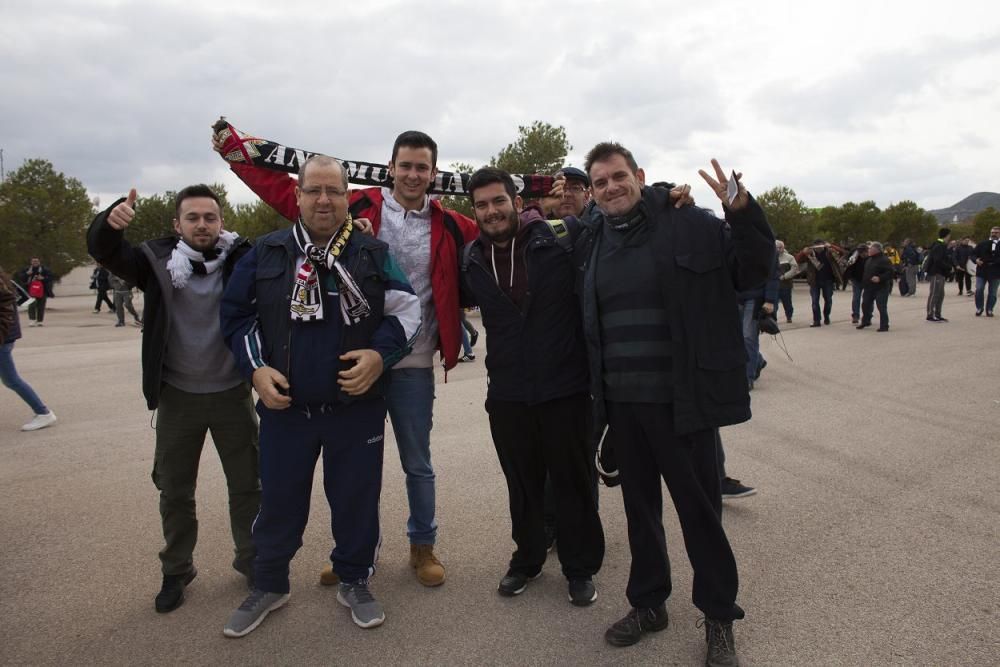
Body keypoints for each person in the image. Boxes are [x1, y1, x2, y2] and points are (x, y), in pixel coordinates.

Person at [215, 129, 477, 588]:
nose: (413, 174)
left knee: (417, 462)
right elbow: (291, 191)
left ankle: (423, 545)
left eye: (423, 167)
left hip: (411, 362)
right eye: (406, 165)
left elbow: (502, 220)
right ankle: (349, 556)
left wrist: (549, 201)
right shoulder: (358, 207)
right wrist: (240, 160)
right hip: (350, 362)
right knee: (356, 471)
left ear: (434, 174)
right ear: (390, 168)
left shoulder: (452, 222)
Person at [573, 143, 773, 666]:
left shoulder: (691, 224)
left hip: (682, 404)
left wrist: (742, 209)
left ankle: (719, 617)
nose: (612, 187)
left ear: (640, 176)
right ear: (592, 193)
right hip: (622, 407)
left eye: (619, 176)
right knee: (640, 514)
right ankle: (649, 604)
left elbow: (751, 268)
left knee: (700, 515)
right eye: (601, 182)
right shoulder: (592, 240)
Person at [219, 155, 421, 636]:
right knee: (280, 502)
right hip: (285, 408)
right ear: (300, 195)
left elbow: (407, 312)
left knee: (355, 500)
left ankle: (355, 580)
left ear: (348, 196)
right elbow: (235, 316)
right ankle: (269, 584)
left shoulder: (372, 253)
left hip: (357, 408)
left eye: (334, 191)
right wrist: (255, 370)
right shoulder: (266, 252)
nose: (325, 200)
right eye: (315, 191)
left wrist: (379, 356)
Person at [88, 184, 262, 614]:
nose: (202, 224)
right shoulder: (155, 261)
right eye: (193, 218)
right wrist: (108, 224)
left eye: (210, 217)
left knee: (248, 486)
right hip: (178, 397)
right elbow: (105, 251)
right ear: (177, 224)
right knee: (174, 490)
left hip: (232, 394)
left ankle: (252, 560)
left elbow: (292, 254)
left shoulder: (242, 258)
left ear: (221, 222)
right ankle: (177, 568)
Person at [460, 167, 605, 606]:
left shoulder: (558, 238)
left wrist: (664, 197)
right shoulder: (471, 259)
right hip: (507, 394)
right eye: (482, 204)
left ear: (516, 203)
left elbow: (608, 215)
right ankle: (526, 559)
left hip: (564, 387)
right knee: (521, 484)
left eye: (498, 201)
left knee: (573, 482)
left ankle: (580, 568)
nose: (491, 211)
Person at [1, 267, 57, 431]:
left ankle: (43, 413)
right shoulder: (5, 280)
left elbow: (7, 313)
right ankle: (42, 412)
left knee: (11, 380)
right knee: (10, 380)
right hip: (5, 337)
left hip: (3, 339)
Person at [795, 239, 844, 327]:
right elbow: (798, 260)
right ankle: (816, 320)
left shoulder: (829, 252)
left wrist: (831, 246)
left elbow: (843, 253)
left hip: (828, 280)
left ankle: (826, 316)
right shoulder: (810, 254)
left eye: (820, 246)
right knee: (814, 301)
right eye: (816, 247)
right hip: (815, 281)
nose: (818, 249)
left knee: (828, 300)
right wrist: (803, 252)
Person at [856, 242, 893, 332]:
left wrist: (880, 278)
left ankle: (884, 325)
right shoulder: (869, 260)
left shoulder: (885, 260)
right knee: (865, 304)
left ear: (876, 250)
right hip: (869, 287)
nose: (868, 250)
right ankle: (865, 321)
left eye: (870, 249)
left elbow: (890, 273)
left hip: (881, 287)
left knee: (881, 306)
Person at [924, 227, 952, 322]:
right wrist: (948, 267)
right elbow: (938, 260)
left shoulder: (941, 245)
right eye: (949, 235)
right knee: (935, 293)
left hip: (941, 273)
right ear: (947, 235)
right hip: (936, 273)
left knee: (941, 294)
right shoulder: (939, 245)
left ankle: (938, 314)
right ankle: (930, 314)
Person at [16, 257, 54, 327]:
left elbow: (51, 277)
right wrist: (27, 274)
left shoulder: (44, 269)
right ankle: (32, 320)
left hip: (42, 290)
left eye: (36, 261)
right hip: (30, 290)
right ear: (31, 262)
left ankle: (40, 321)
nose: (35, 262)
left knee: (41, 305)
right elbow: (20, 277)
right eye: (33, 261)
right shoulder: (27, 269)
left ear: (39, 262)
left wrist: (43, 278)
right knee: (31, 304)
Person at [972, 226, 1000, 317]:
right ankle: (979, 308)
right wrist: (976, 260)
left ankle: (990, 309)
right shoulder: (982, 244)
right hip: (982, 270)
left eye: (996, 232)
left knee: (992, 292)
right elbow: (973, 254)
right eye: (992, 232)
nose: (994, 234)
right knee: (979, 289)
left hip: (996, 271)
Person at [843, 243, 870, 324]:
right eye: (860, 252)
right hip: (857, 280)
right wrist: (850, 277)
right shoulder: (854, 258)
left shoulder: (871, 258)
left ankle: (868, 316)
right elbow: (849, 267)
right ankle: (855, 315)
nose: (862, 254)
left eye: (863, 252)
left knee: (868, 300)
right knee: (856, 298)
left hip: (868, 281)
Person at [775, 240, 798, 323]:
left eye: (780, 247)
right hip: (775, 285)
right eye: (776, 248)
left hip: (786, 285)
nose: (778, 249)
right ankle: (774, 318)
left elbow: (794, 269)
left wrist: (785, 276)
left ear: (783, 247)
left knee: (787, 302)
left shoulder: (789, 257)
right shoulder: (771, 257)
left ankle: (789, 316)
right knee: (774, 303)